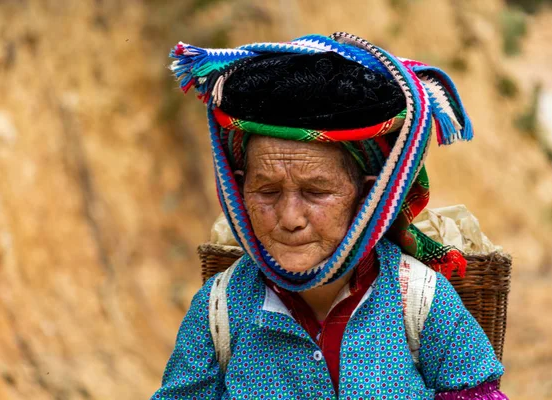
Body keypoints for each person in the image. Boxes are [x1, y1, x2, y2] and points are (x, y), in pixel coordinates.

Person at [151, 32, 508, 399]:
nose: (290, 218)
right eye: (268, 192)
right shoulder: (218, 311)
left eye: (316, 192)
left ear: (368, 195)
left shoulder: (420, 300)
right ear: (239, 190)